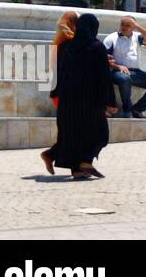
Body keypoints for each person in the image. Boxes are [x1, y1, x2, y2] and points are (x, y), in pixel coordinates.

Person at [41, 11, 115, 179]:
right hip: (89, 101)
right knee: (101, 134)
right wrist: (110, 101)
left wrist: (55, 93)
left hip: (67, 100)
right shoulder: (96, 47)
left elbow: (58, 71)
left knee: (73, 135)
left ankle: (76, 169)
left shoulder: (67, 46)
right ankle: (84, 163)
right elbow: (103, 77)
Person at [103, 16, 146, 119]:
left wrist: (137, 26)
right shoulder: (111, 38)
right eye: (122, 24)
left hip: (136, 72)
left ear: (133, 27)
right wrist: (118, 66)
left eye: (128, 25)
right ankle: (127, 109)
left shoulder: (137, 37)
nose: (124, 27)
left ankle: (138, 109)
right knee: (125, 78)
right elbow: (103, 59)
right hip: (116, 72)